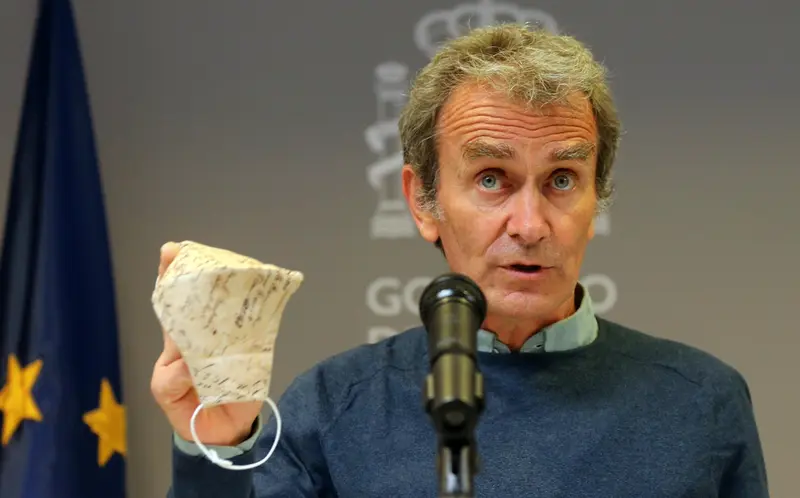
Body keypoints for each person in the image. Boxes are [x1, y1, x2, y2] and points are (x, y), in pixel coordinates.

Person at [151, 23, 769, 497]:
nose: (529, 226)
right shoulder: (332, 403)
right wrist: (222, 447)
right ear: (423, 202)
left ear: (595, 199)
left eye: (561, 179)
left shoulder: (702, 401)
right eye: (493, 178)